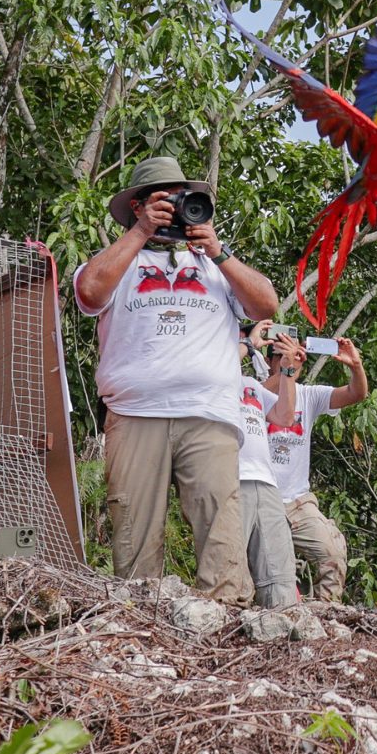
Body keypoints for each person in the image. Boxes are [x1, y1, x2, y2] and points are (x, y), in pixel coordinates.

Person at [73, 156, 277, 605]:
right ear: (137, 206)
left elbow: (266, 306)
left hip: (208, 411)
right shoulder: (120, 259)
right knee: (133, 534)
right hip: (133, 413)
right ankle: (139, 625)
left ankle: (223, 625)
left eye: (179, 199)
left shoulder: (213, 266)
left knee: (221, 531)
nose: (172, 209)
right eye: (161, 201)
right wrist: (142, 232)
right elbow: (88, 291)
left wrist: (218, 251)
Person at [259, 330, 370, 601]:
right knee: (272, 572)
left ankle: (324, 615)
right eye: (283, 356)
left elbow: (356, 394)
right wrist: (285, 373)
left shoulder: (308, 395)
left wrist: (356, 366)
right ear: (270, 361)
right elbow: (261, 390)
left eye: (296, 356)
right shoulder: (253, 391)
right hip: (261, 499)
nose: (290, 362)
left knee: (332, 551)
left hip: (298, 502)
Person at [237, 323, 304, 608]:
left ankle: (283, 632)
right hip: (230, 479)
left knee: (279, 576)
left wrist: (288, 370)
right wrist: (248, 344)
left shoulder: (252, 386)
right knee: (230, 574)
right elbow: (216, 365)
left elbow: (284, 416)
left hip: (266, 482)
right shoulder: (210, 377)